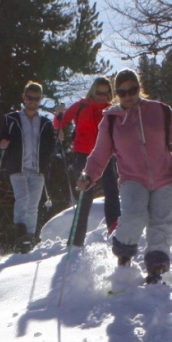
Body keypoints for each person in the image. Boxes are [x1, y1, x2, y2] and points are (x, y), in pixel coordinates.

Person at [78, 68, 172, 284]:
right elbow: (99, 155)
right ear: (117, 94)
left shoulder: (159, 111)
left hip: (165, 177)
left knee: (161, 224)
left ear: (140, 88)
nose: (128, 96)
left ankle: (156, 269)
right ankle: (124, 257)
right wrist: (88, 175)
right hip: (132, 179)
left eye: (132, 90)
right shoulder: (110, 121)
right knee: (134, 217)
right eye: (123, 92)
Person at [55, 76, 121, 246]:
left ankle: (115, 229)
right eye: (99, 93)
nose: (102, 97)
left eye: (106, 94)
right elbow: (60, 122)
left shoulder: (112, 110)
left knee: (112, 190)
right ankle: (76, 240)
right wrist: (59, 118)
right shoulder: (81, 105)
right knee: (86, 193)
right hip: (82, 155)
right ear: (93, 91)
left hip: (104, 155)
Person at [0, 81, 60, 253]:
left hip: (38, 169)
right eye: (29, 98)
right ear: (24, 97)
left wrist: (58, 137)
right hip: (18, 166)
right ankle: (21, 235)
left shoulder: (45, 123)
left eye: (36, 99)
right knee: (22, 198)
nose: (32, 102)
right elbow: (1, 138)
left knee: (33, 204)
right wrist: (3, 143)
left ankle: (29, 238)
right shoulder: (11, 119)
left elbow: (50, 145)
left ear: (40, 100)